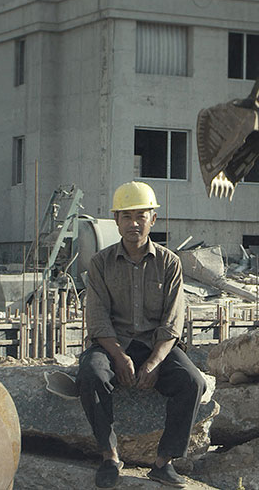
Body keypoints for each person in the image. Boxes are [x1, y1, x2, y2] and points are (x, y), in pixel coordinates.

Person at [77, 181, 205, 489]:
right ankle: (109, 457)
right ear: (117, 220)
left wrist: (155, 361)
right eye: (126, 216)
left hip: (154, 344)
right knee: (91, 374)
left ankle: (164, 462)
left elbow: (173, 320)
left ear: (153, 219)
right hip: (112, 344)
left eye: (141, 216)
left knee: (192, 382)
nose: (134, 223)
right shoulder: (100, 263)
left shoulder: (169, 263)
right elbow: (97, 318)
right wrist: (119, 357)